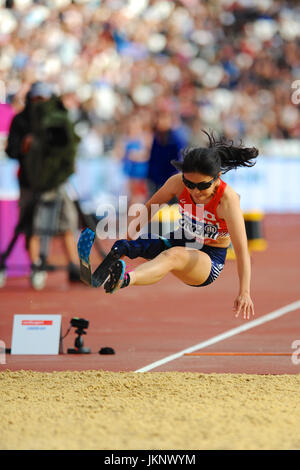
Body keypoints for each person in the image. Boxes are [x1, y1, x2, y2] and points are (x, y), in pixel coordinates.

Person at [89, 130, 259, 320]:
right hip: (180, 239)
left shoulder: (227, 201)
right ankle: (114, 260)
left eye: (202, 186)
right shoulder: (176, 183)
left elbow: (243, 250)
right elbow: (147, 211)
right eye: (189, 184)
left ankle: (124, 279)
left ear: (217, 177)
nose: (195, 191)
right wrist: (127, 239)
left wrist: (245, 291)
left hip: (209, 259)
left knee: (172, 256)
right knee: (138, 245)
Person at [5, 81, 81, 289]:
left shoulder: (59, 118)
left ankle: (74, 266)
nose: (40, 103)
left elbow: (69, 145)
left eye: (44, 99)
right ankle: (36, 266)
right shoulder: (21, 121)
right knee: (32, 227)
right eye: (36, 99)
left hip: (57, 182)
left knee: (68, 223)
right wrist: (24, 145)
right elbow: (11, 150)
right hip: (30, 182)